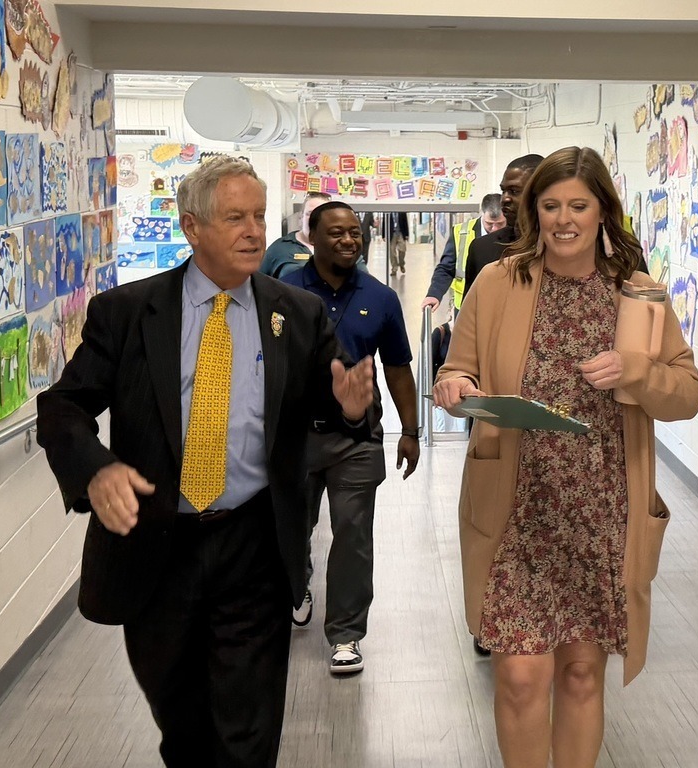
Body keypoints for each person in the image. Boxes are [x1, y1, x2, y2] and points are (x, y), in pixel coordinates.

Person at [35, 157, 375, 768]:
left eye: (260, 217)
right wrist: (96, 468)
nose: (254, 231)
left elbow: (335, 400)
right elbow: (62, 407)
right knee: (185, 730)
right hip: (159, 547)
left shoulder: (295, 314)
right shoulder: (129, 313)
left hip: (253, 543)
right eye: (235, 218)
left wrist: (350, 408)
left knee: (248, 734)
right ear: (192, 227)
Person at [433, 146, 698, 768]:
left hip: (602, 510)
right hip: (518, 509)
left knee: (582, 673)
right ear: (534, 212)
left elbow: (688, 394)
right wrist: (458, 386)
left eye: (578, 206)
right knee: (520, 675)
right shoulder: (498, 282)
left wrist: (636, 371)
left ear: (602, 210)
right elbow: (457, 369)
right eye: (550, 205)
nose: (563, 219)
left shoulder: (638, 294)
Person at [282, 201, 420, 674]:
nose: (348, 240)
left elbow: (397, 368)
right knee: (291, 527)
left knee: (353, 535)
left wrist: (410, 430)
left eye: (354, 233)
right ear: (311, 238)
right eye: (336, 233)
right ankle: (297, 582)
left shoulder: (380, 298)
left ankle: (345, 634)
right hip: (296, 437)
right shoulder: (283, 291)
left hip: (357, 438)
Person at [463, 155, 545, 293]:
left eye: (514, 191)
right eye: (503, 191)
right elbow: (473, 304)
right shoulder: (482, 249)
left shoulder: (561, 249)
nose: (505, 199)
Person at [422, 193, 505, 315]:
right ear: (482, 214)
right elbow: (446, 268)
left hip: (501, 307)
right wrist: (434, 294)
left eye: (500, 224)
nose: (495, 229)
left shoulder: (515, 234)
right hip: (466, 306)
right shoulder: (461, 232)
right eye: (489, 224)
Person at [259, 191, 330, 278]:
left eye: (322, 214)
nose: (315, 218)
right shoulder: (279, 248)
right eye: (310, 213)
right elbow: (257, 281)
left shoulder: (337, 248)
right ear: (301, 218)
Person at [387, 210, 410, 276]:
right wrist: (383, 235)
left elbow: (405, 222)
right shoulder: (388, 211)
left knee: (403, 250)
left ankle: (401, 264)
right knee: (392, 252)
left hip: (400, 233)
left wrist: (407, 234)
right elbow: (384, 223)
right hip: (392, 234)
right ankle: (394, 268)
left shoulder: (401, 210)